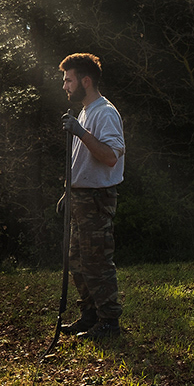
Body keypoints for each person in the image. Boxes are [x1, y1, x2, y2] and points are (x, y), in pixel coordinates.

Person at [58, 53, 125, 339]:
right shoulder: (86, 111)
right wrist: (68, 190)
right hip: (81, 198)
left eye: (69, 80)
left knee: (97, 261)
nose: (65, 86)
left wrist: (81, 132)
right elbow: (84, 161)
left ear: (86, 81)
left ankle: (110, 321)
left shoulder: (104, 112)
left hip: (98, 199)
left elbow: (110, 156)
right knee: (77, 261)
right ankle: (90, 315)